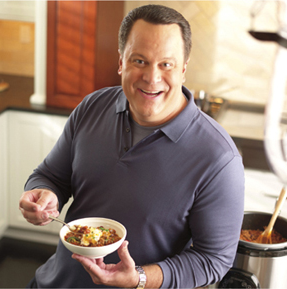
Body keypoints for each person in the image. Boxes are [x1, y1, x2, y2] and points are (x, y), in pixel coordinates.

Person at [19, 4, 244, 288]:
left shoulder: (219, 157)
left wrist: (139, 277)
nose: (152, 77)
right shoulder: (92, 107)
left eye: (166, 64)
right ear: (121, 62)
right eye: (139, 61)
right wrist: (43, 193)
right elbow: (51, 175)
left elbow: (213, 260)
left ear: (184, 69)